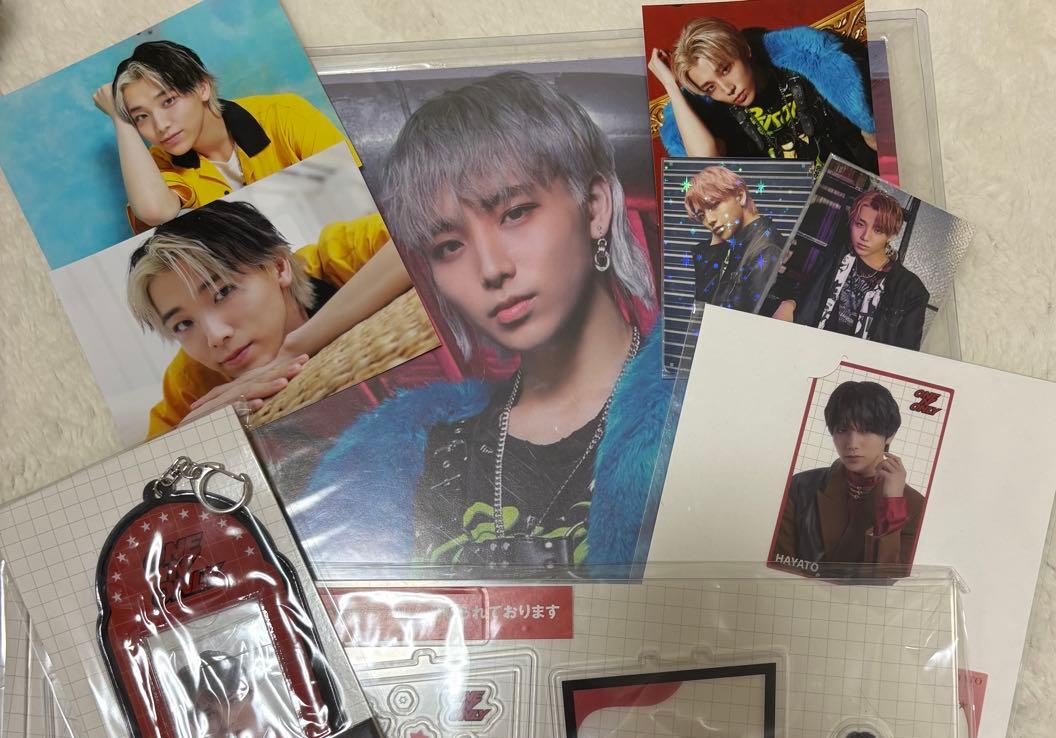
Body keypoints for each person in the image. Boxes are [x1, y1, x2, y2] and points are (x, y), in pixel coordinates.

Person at [297, 70, 672, 572]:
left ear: (595, 208)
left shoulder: (694, 408)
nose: (492, 269)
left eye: (515, 214)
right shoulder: (390, 460)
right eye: (449, 246)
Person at [126, 199, 412, 437]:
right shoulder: (190, 379)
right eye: (183, 324)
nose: (215, 336)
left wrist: (296, 347)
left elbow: (422, 233)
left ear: (278, 267)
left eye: (223, 291)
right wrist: (196, 432)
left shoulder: (337, 255)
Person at [93, 40, 361, 231]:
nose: (160, 125)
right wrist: (120, 119)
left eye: (169, 101)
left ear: (203, 88)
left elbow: (358, 191)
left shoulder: (285, 115)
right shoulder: (159, 165)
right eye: (141, 116)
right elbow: (155, 211)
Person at [648, 17, 877, 171]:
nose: (727, 89)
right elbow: (705, 162)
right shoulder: (719, 115)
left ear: (744, 49)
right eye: (710, 87)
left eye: (726, 69)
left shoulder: (803, 69)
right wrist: (671, 86)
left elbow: (873, 136)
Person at [772, 381, 925, 576]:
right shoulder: (800, 487)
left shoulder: (916, 505)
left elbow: (887, 580)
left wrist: (892, 503)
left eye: (866, 430)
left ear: (889, 435)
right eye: (842, 430)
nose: (852, 444)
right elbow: (779, 568)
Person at [770, 189, 931, 349]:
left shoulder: (911, 290)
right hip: (811, 347)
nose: (865, 236)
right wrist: (789, 304)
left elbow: (905, 354)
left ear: (892, 235)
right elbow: (808, 292)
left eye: (877, 230)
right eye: (860, 224)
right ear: (852, 221)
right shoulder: (837, 255)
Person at [177, 650, 308, 738]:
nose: (227, 722)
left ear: (253, 695)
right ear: (196, 723)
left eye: (233, 701)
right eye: (209, 713)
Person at [683, 165, 782, 310]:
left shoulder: (765, 250)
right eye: (702, 215)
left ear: (740, 196)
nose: (709, 220)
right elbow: (704, 307)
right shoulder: (735, 246)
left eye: (714, 205)